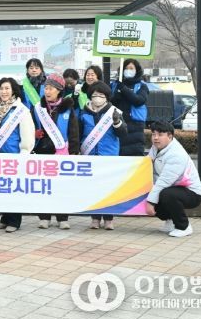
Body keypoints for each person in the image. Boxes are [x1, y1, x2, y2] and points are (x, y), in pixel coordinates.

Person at [0, 77, 35, 233]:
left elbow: (27, 134)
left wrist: (24, 153)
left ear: (13, 91)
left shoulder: (21, 110)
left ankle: (14, 221)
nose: (3, 92)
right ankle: (4, 219)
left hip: (14, 156)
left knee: (14, 190)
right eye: (1, 88)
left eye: (7, 88)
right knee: (2, 189)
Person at [33, 73, 80, 230]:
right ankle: (44, 217)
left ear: (59, 90)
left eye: (51, 88)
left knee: (62, 187)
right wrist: (34, 134)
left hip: (62, 152)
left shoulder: (68, 108)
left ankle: (62, 217)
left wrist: (74, 151)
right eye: (46, 88)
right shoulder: (38, 108)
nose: (47, 91)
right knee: (43, 186)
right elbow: (31, 126)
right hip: (42, 152)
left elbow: (74, 131)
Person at [78, 81, 126, 230]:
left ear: (106, 97)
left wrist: (117, 122)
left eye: (101, 95)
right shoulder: (84, 113)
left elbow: (123, 133)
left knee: (108, 189)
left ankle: (109, 218)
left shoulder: (114, 112)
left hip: (109, 156)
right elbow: (78, 133)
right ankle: (95, 218)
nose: (97, 98)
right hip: (90, 156)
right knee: (93, 189)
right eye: (94, 95)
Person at [145, 121, 201, 237]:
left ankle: (184, 227)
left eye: (160, 134)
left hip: (192, 193)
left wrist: (150, 202)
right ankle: (171, 221)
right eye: (153, 134)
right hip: (173, 188)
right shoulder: (156, 148)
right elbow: (147, 163)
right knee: (156, 193)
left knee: (166, 195)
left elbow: (164, 182)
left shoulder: (176, 155)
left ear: (170, 136)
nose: (156, 138)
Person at [111, 59, 149, 157]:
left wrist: (123, 89)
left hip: (135, 125)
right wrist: (116, 96)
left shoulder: (142, 86)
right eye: (126, 68)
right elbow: (109, 102)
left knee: (134, 153)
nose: (128, 70)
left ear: (137, 70)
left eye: (131, 68)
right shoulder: (114, 85)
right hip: (117, 122)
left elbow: (139, 100)